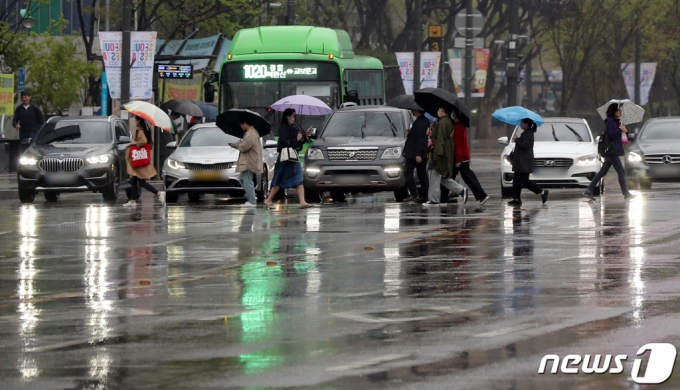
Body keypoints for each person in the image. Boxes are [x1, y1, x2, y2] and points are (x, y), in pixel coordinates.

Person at [264, 108, 314, 209]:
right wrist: (296, 138)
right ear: (288, 117)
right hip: (285, 158)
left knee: (298, 178)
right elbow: (283, 142)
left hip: (293, 158)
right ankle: (269, 199)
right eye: (293, 116)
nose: (294, 118)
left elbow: (297, 144)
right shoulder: (284, 128)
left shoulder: (293, 128)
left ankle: (302, 202)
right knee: (279, 179)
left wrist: (304, 137)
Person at [584, 103, 634, 201]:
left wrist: (625, 130)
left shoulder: (616, 122)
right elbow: (612, 134)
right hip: (612, 151)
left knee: (602, 172)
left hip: (613, 150)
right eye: (619, 110)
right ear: (614, 112)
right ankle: (626, 193)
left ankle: (589, 190)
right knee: (621, 171)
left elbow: (621, 136)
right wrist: (620, 129)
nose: (621, 112)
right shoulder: (610, 121)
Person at [424, 105, 468, 206]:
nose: (438, 111)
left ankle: (434, 200)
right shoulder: (448, 121)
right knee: (441, 176)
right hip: (445, 153)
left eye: (439, 109)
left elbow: (440, 139)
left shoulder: (443, 122)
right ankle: (461, 190)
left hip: (440, 154)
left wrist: (437, 154)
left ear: (442, 110)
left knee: (434, 174)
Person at [451, 107, 489, 206]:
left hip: (461, 157)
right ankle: (481, 195)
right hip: (464, 156)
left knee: (457, 177)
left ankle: (482, 195)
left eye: (453, 113)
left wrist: (458, 159)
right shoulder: (461, 126)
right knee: (461, 177)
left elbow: (458, 144)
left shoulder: (458, 127)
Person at [124, 117, 166, 207]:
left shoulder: (140, 131)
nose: (135, 122)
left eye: (136, 120)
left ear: (138, 121)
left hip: (138, 160)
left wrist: (134, 143)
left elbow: (143, 141)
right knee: (134, 180)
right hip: (139, 159)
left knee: (141, 182)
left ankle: (159, 193)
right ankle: (133, 201)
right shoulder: (144, 130)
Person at [508, 118, 549, 207]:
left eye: (522, 122)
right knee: (516, 181)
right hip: (520, 162)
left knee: (525, 181)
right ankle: (516, 199)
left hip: (524, 162)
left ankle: (542, 192)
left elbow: (524, 145)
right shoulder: (525, 133)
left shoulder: (528, 133)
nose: (520, 124)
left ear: (526, 124)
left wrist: (516, 139)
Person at [232, 116, 263, 207]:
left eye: (241, 125)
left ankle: (252, 201)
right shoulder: (250, 133)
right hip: (248, 160)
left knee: (247, 180)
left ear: (245, 124)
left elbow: (243, 147)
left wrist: (236, 144)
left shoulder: (250, 134)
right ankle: (252, 195)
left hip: (249, 161)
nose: (241, 127)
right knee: (241, 179)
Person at [9, 92, 44, 172]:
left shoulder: (34, 108)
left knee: (32, 147)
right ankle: (23, 164)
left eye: (26, 97)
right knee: (23, 148)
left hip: (33, 131)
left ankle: (34, 163)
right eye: (23, 97)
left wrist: (40, 129)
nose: (24, 99)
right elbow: (14, 120)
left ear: (29, 98)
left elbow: (41, 120)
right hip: (23, 131)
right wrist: (16, 125)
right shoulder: (19, 109)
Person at [403, 108, 429, 202]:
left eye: (414, 110)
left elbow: (419, 140)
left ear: (417, 111)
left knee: (407, 171)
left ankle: (414, 193)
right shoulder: (423, 121)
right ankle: (424, 196)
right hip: (421, 153)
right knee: (421, 174)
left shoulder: (419, 123)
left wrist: (418, 154)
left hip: (415, 153)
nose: (413, 112)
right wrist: (411, 132)